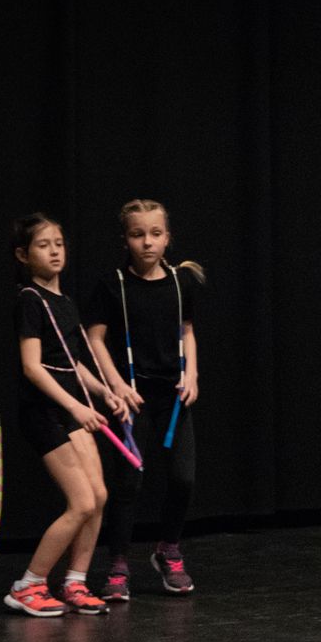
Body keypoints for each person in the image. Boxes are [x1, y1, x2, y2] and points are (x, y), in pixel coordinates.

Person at [85, 198, 204, 599]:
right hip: (132, 398)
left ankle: (168, 548)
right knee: (128, 484)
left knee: (183, 478)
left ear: (168, 238)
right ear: (126, 240)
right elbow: (95, 339)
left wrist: (192, 374)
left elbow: (187, 330)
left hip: (172, 396)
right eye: (138, 235)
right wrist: (116, 385)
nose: (147, 242)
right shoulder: (114, 285)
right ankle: (118, 562)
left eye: (155, 234)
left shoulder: (180, 282)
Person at [6, 214, 125, 617]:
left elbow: (73, 363)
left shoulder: (66, 302)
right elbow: (32, 367)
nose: (54, 251)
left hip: (71, 409)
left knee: (99, 496)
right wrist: (75, 405)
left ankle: (75, 580)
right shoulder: (30, 300)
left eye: (58, 243)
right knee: (81, 501)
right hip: (44, 412)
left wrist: (104, 392)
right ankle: (28, 584)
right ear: (23, 254)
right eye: (43, 245)